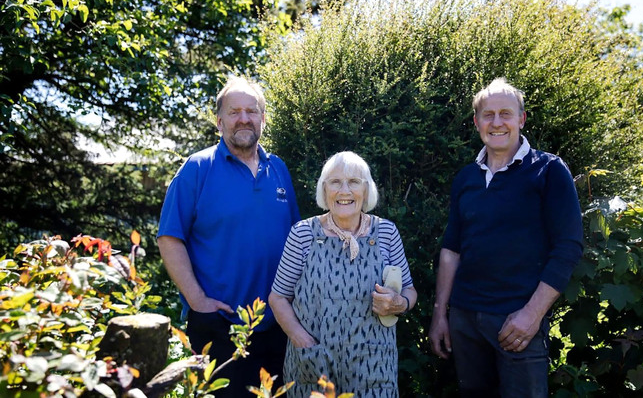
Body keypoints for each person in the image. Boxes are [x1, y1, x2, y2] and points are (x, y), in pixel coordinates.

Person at [428, 78, 583, 398]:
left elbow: (568, 246)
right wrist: (440, 314)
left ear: (521, 119)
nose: (496, 122)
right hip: (465, 321)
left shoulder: (549, 170)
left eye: (506, 114)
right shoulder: (466, 178)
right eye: (488, 115)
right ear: (476, 122)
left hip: (517, 322)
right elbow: (451, 249)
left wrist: (532, 314)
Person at [157, 76, 300, 397]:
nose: (244, 118)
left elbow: (296, 240)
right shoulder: (197, 168)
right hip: (219, 325)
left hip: (277, 325)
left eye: (252, 111)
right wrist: (198, 301)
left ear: (263, 119)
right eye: (234, 112)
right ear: (219, 121)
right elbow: (169, 238)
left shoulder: (278, 169)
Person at [269, 151, 417, 397]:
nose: (344, 191)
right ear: (324, 190)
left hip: (374, 370)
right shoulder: (303, 234)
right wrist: (303, 342)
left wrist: (399, 303)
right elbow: (278, 298)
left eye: (354, 182)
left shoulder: (387, 233)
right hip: (314, 368)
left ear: (366, 190)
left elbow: (410, 291)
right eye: (335, 182)